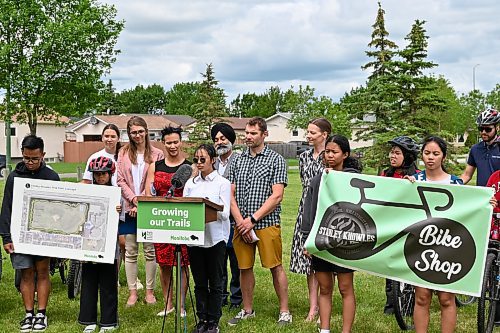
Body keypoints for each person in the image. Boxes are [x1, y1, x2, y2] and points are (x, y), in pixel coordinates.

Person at [227, 117, 292, 326]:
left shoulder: (276, 160)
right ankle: (247, 310)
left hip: (266, 222)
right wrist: (240, 221)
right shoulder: (236, 160)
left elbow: (277, 195)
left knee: (275, 266)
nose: (248, 136)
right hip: (240, 225)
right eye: (246, 132)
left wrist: (252, 220)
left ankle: (284, 311)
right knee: (244, 268)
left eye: (253, 133)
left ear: (264, 134)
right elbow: (229, 193)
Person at [301, 134, 361, 333]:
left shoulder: (354, 180)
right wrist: (308, 240)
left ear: (345, 154)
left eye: (334, 152)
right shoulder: (318, 180)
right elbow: (309, 211)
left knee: (345, 288)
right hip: (322, 241)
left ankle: (346, 330)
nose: (330, 155)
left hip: (346, 242)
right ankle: (324, 329)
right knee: (325, 287)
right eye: (327, 151)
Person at [0, 135, 60, 332]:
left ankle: (41, 313)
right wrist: (6, 237)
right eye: (26, 158)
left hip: (44, 235)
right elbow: (6, 207)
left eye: (35, 158)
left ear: (43, 155)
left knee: (42, 272)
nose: (30, 162)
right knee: (26, 273)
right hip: (20, 235)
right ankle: (28, 313)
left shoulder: (51, 177)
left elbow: (60, 209)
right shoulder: (14, 177)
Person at [405, 136, 463, 333]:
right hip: (421, 246)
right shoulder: (415, 181)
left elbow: (469, 211)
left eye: (435, 154)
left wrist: (486, 205)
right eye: (427, 153)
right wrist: (405, 188)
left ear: (443, 157)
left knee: (446, 298)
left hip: (447, 247)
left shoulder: (455, 183)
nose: (430, 158)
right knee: (422, 296)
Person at [144, 125, 191, 317]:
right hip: (160, 220)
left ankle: (181, 305)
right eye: (169, 142)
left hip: (183, 220)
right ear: (163, 144)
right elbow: (148, 192)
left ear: (181, 142)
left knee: (182, 264)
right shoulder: (155, 166)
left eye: (176, 142)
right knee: (164, 263)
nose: (173, 146)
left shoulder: (190, 166)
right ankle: (168, 303)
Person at [117, 116, 164, 307]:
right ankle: (133, 292)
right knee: (130, 251)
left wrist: (143, 202)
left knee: (150, 250)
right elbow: (120, 179)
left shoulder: (157, 154)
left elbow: (156, 182)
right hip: (129, 208)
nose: (137, 135)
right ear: (129, 134)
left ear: (146, 131)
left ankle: (150, 292)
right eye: (133, 132)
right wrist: (134, 200)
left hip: (149, 208)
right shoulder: (123, 153)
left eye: (140, 131)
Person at [184, 144, 231, 333]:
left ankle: (214, 321)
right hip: (195, 240)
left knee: (216, 282)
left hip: (215, 239)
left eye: (203, 159)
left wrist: (206, 206)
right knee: (200, 282)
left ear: (213, 159)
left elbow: (225, 212)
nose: (199, 163)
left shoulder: (222, 183)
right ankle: (202, 319)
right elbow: (185, 208)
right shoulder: (190, 184)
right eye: (196, 159)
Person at [289, 118, 331, 321]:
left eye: (313, 132)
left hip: (325, 209)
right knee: (308, 261)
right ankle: (313, 306)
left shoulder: (330, 156)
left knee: (324, 259)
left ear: (324, 134)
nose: (308, 135)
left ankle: (326, 299)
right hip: (306, 208)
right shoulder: (304, 156)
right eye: (308, 132)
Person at [78, 157, 120, 333]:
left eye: (103, 174)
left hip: (109, 245)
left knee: (108, 281)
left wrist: (119, 210)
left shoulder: (116, 193)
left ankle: (109, 321)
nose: (100, 177)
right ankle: (88, 319)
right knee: (88, 281)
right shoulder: (87, 191)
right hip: (89, 243)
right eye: (97, 174)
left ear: (110, 174)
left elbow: (123, 216)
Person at [380, 135, 420, 315]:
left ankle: (409, 303)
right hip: (390, 227)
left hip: (411, 228)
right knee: (390, 266)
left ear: (408, 156)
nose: (392, 156)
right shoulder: (385, 174)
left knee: (410, 266)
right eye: (391, 152)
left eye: (397, 153)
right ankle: (391, 303)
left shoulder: (417, 176)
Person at [211, 122, 242, 309]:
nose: (219, 142)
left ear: (231, 139)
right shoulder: (211, 162)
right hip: (215, 218)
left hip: (234, 217)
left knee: (236, 261)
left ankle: (237, 298)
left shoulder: (240, 160)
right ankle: (220, 295)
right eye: (216, 139)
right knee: (218, 261)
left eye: (223, 138)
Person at [461, 107, 500, 186]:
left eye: (488, 129)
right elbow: (467, 175)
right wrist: (453, 185)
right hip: (482, 196)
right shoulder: (475, 149)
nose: (483, 132)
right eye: (481, 129)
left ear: (497, 128)